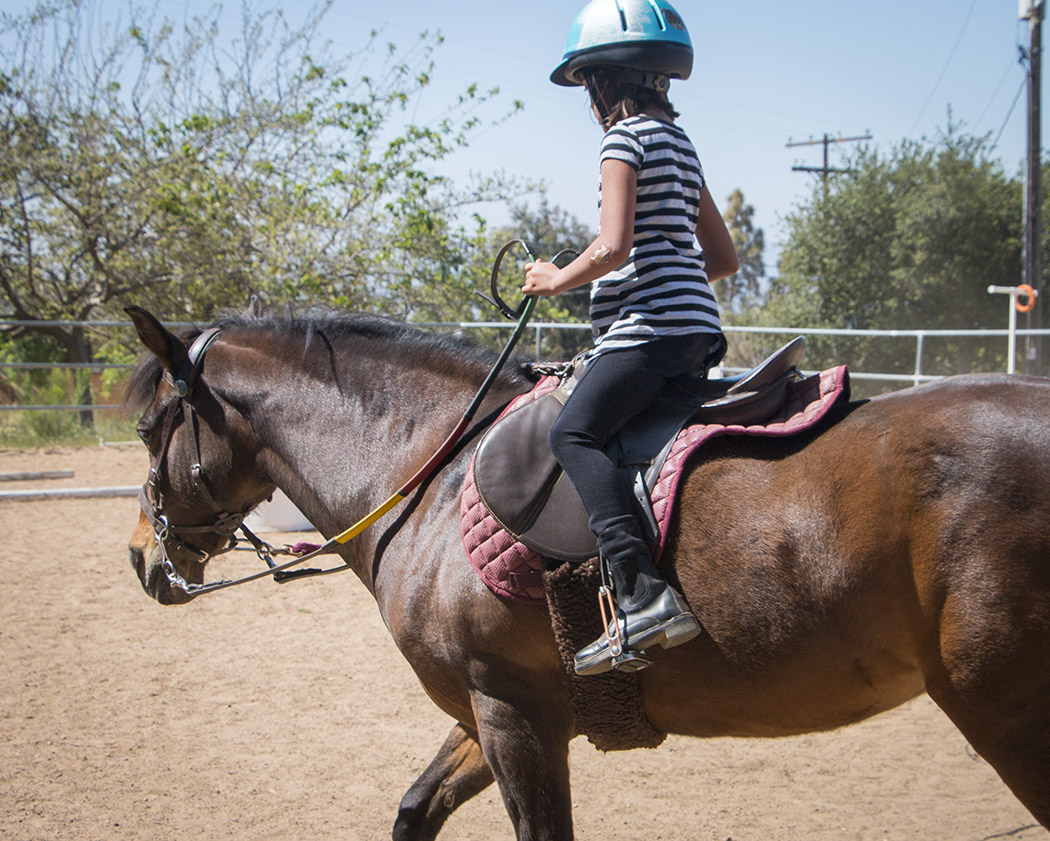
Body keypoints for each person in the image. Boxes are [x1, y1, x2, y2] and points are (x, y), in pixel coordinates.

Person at [521, 0, 740, 676]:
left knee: (573, 435)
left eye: (589, 83)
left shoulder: (622, 141)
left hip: (647, 332)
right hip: (696, 333)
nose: (589, 99)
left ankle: (643, 594)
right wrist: (675, 276)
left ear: (607, 82)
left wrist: (556, 279)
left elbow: (613, 246)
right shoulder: (682, 143)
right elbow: (725, 258)